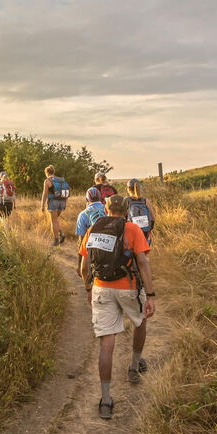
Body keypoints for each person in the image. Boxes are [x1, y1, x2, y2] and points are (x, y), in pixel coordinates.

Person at [79, 194, 156, 420]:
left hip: (101, 288)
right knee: (140, 320)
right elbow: (142, 262)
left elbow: (84, 266)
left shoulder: (93, 228)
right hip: (129, 287)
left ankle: (105, 400)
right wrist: (149, 295)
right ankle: (133, 367)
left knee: (106, 344)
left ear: (106, 208)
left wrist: (87, 289)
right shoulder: (131, 229)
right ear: (126, 210)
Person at [75, 187, 107, 272]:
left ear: (86, 199)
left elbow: (81, 241)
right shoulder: (107, 210)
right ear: (100, 198)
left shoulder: (83, 214)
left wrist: (79, 265)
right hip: (108, 247)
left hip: (92, 250)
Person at [41, 165, 68, 246]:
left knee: (54, 221)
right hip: (62, 202)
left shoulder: (47, 181)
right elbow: (65, 192)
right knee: (55, 220)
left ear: (47, 172)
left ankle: (56, 240)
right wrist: (64, 203)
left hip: (53, 202)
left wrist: (42, 205)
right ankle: (61, 233)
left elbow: (45, 194)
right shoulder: (61, 180)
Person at [125, 178, 156, 245]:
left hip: (132, 231)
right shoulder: (145, 201)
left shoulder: (126, 201)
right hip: (145, 231)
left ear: (129, 189)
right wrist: (149, 229)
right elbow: (153, 217)